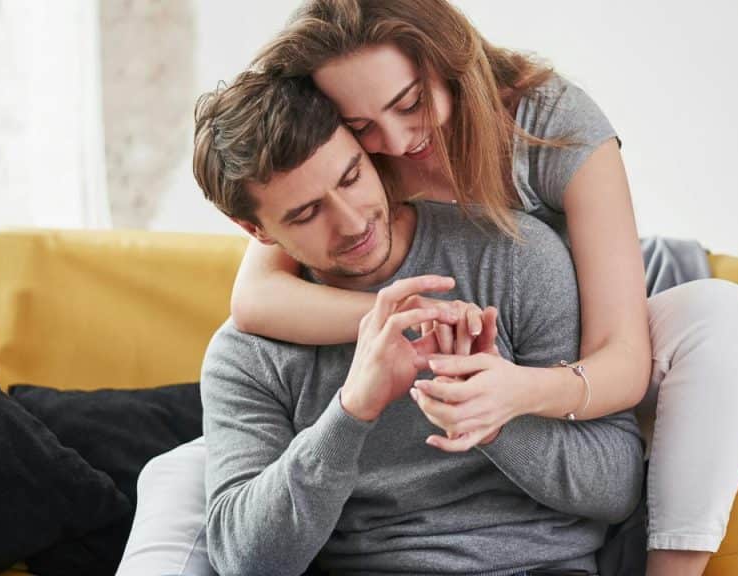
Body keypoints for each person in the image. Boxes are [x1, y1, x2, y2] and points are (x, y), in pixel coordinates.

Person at [231, 2, 738, 574]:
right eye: (361, 126)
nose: (392, 141)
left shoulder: (552, 125)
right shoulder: (341, 164)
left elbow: (621, 356)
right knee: (189, 481)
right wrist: (415, 319)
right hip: (475, 337)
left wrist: (517, 393)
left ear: (447, 59)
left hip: (596, 309)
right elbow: (255, 300)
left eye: (410, 103)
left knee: (722, 316)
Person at [192, 71, 642, 575]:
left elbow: (617, 488)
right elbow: (245, 562)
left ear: (367, 152)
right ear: (255, 230)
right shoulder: (248, 356)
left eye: (351, 178)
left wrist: (492, 418)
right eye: (307, 213)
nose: (353, 221)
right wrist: (350, 412)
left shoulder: (514, 257)